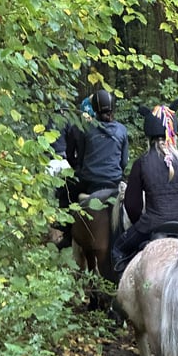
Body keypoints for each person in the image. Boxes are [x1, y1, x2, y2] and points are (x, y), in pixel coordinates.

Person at [111, 100, 178, 272]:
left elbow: (132, 205)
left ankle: (120, 281)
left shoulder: (142, 163)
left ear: (149, 134)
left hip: (151, 225)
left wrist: (140, 222)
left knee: (118, 249)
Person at [57, 89, 129, 248]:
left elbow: (80, 158)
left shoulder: (86, 129)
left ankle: (67, 233)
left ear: (94, 108)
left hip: (90, 181)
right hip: (114, 182)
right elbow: (124, 162)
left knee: (65, 190)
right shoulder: (122, 130)